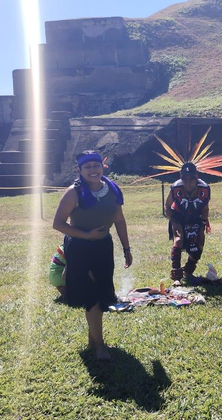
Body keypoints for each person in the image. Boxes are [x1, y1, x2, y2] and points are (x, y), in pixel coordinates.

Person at [52, 150, 132, 360]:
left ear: (102, 166)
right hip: (79, 249)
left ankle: (92, 341)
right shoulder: (73, 193)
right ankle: (100, 348)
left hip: (103, 248)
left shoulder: (112, 190)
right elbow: (57, 224)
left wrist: (126, 249)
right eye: (87, 167)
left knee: (100, 295)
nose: (92, 170)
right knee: (93, 298)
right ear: (79, 170)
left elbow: (119, 220)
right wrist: (86, 235)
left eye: (96, 165)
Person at [164, 161, 211, 283]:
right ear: (181, 178)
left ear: (196, 178)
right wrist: (173, 220)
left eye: (191, 180)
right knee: (178, 241)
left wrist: (204, 222)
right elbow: (167, 205)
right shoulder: (175, 188)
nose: (188, 183)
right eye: (185, 180)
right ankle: (176, 275)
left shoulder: (204, 189)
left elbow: (205, 208)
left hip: (196, 218)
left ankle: (188, 270)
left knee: (198, 246)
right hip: (178, 216)